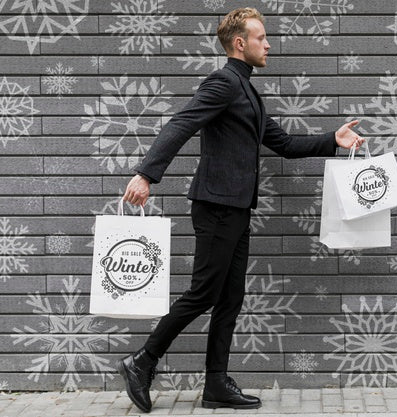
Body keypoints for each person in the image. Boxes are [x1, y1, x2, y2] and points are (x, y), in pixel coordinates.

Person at [117, 6, 364, 414]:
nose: (268, 44)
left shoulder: (247, 91)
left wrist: (332, 140)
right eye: (261, 38)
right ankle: (142, 361)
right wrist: (146, 174)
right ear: (239, 43)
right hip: (215, 205)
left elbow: (283, 144)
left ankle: (215, 384)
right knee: (203, 293)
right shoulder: (223, 83)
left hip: (234, 208)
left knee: (231, 297)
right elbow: (181, 123)